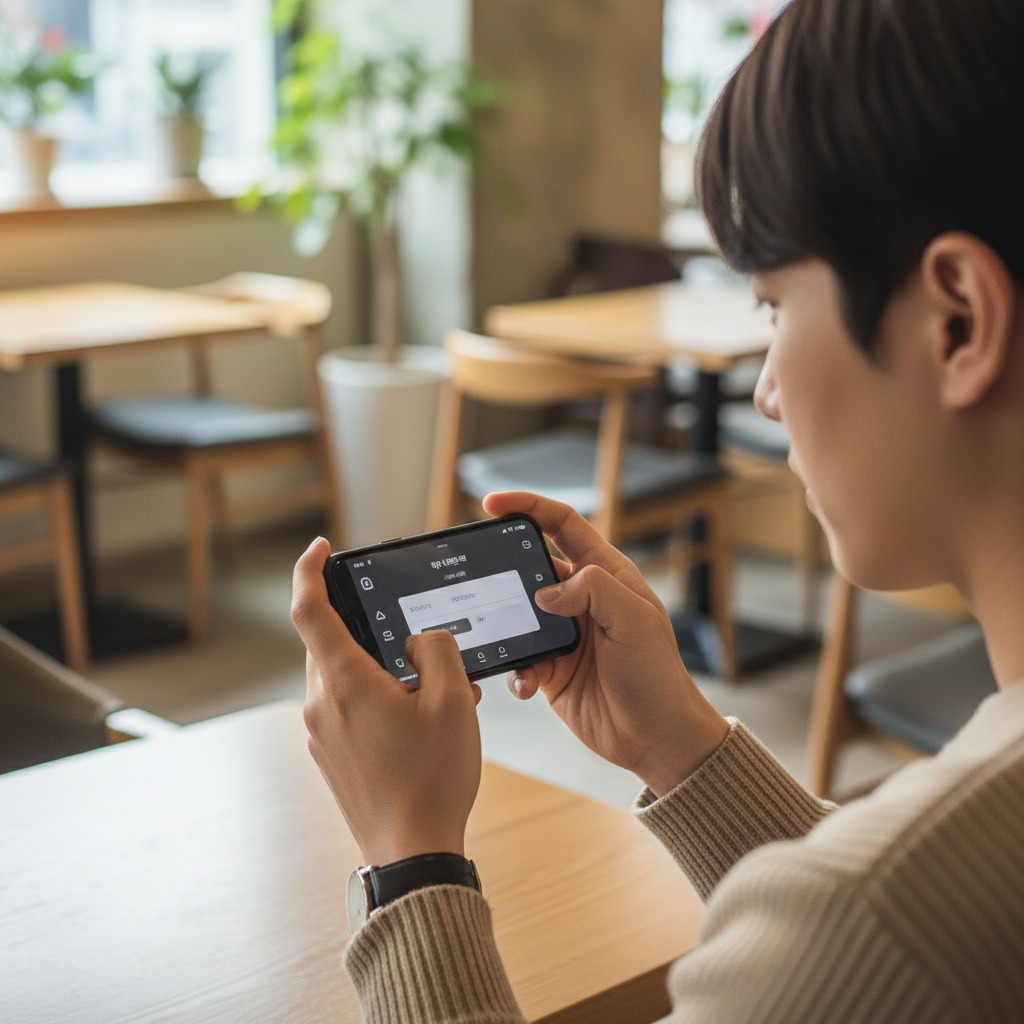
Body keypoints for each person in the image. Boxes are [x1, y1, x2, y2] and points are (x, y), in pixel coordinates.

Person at [290, 0, 1024, 1019]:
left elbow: (869, 933)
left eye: (771, 302)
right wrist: (678, 741)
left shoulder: (868, 919)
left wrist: (409, 861)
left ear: (957, 321)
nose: (765, 386)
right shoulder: (902, 907)